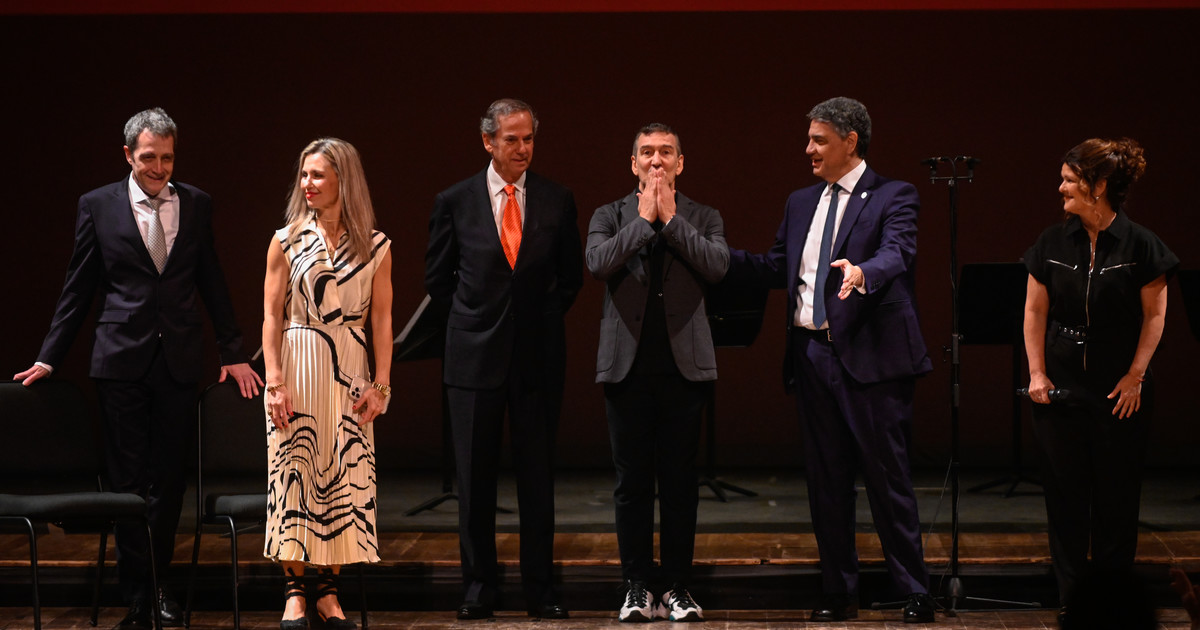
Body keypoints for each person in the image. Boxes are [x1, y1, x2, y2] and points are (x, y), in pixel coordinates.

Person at [13, 108, 261, 629]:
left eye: (168, 158)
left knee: (168, 480)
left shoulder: (196, 203)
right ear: (128, 154)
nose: (160, 168)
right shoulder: (98, 205)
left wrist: (232, 350)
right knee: (128, 482)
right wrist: (49, 355)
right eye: (150, 157)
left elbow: (211, 280)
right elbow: (78, 287)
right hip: (120, 360)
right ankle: (138, 594)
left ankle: (160, 583)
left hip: (178, 361)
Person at [726, 97, 936, 623]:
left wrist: (863, 272)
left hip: (871, 360)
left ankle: (914, 590)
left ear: (851, 141)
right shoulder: (801, 202)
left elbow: (898, 251)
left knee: (887, 479)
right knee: (827, 482)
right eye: (810, 139)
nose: (809, 149)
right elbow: (777, 266)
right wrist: (712, 256)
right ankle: (839, 591)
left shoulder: (893, 195)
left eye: (819, 140)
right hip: (811, 356)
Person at [425, 98, 583, 620]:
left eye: (528, 138)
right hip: (473, 361)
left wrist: (534, 320)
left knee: (537, 479)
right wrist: (477, 323)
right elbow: (438, 282)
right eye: (511, 139)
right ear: (488, 141)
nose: (522, 148)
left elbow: (570, 278)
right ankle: (478, 589)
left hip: (537, 359)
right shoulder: (454, 201)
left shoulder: (557, 199)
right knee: (474, 482)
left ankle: (541, 590)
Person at [1022, 137, 1177, 624]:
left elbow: (1155, 317)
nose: (1061, 187)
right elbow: (1034, 312)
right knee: (1065, 499)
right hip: (1062, 387)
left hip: (1118, 390)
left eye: (1070, 179)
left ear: (1099, 185)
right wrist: (1037, 372)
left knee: (1116, 501)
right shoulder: (1051, 242)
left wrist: (1136, 376)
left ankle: (1112, 608)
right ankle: (1073, 601)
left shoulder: (1142, 245)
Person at [585, 123, 728, 623]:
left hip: (683, 370)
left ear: (680, 163)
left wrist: (670, 220)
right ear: (633, 163)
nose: (656, 161)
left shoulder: (703, 216)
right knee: (632, 484)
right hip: (627, 369)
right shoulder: (609, 214)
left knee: (680, 483)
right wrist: (645, 220)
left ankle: (677, 586)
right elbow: (598, 262)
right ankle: (637, 584)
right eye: (646, 153)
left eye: (666, 152)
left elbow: (717, 265)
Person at [262, 138, 393, 630]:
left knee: (343, 476)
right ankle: (295, 593)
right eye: (304, 174)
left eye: (317, 174)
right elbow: (271, 316)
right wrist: (275, 381)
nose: (307, 184)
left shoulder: (375, 245)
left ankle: (329, 593)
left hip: (349, 368)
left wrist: (382, 385)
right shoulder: (286, 240)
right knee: (294, 474)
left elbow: (382, 320)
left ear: (344, 178)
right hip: (298, 363)